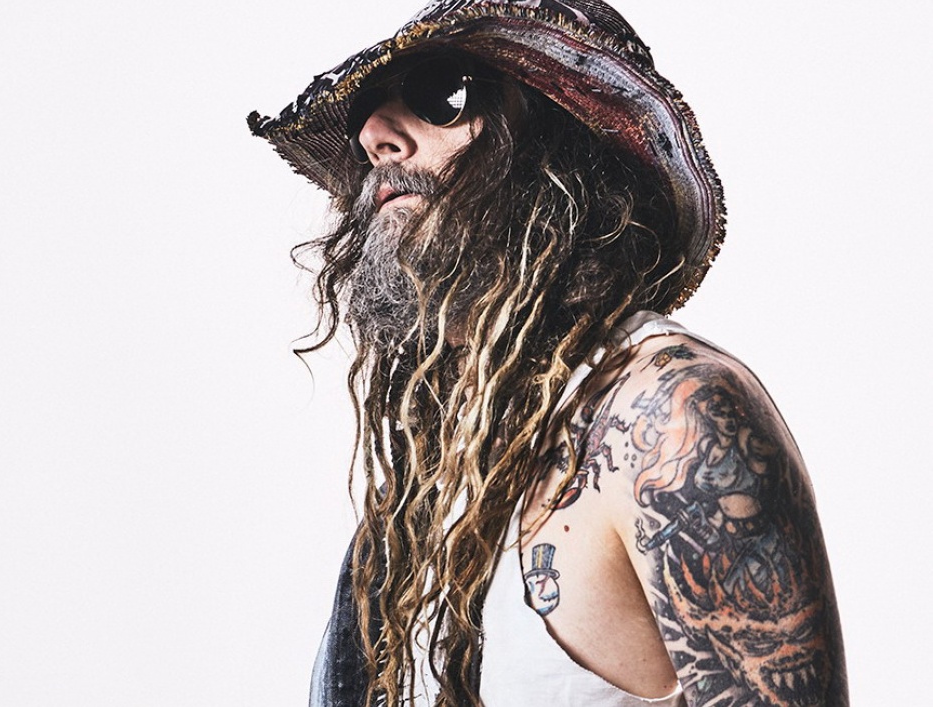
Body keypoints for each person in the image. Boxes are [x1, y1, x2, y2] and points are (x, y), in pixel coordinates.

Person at [248, 1, 848, 705]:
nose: (375, 134)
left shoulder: (673, 415)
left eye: (442, 91)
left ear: (554, 146)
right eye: (364, 119)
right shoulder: (430, 471)